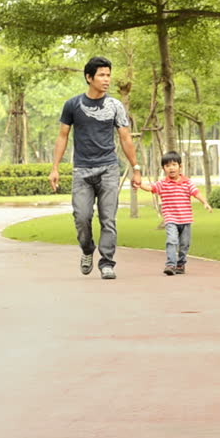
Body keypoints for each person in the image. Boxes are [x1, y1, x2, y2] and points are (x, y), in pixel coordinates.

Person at [49, 56, 141, 280]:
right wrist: (55, 168)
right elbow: (63, 136)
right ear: (89, 77)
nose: (106, 79)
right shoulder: (73, 105)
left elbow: (126, 138)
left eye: (108, 75)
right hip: (82, 170)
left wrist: (136, 167)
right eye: (101, 75)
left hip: (109, 168)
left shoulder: (115, 106)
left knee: (108, 218)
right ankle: (87, 249)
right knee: (82, 217)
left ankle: (107, 262)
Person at [137, 151, 213, 275]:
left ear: (180, 166)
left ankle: (181, 264)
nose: (171, 168)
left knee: (184, 244)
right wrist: (140, 185)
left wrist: (205, 202)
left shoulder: (187, 183)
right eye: (167, 166)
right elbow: (151, 188)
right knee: (171, 241)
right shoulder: (162, 184)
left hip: (186, 220)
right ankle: (170, 265)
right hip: (171, 219)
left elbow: (196, 193)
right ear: (163, 169)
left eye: (174, 164)